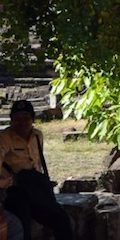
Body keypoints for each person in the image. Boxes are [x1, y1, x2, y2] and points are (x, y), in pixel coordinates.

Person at [0, 101, 73, 240]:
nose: (22, 123)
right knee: (22, 222)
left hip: (35, 188)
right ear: (12, 120)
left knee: (61, 218)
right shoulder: (4, 138)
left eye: (26, 118)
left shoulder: (37, 135)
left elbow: (38, 162)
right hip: (15, 190)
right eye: (17, 119)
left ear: (32, 119)